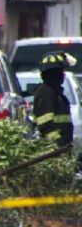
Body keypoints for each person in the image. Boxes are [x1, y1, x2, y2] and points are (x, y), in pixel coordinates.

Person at [33, 50, 82, 178]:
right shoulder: (46, 93)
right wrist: (57, 144)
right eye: (61, 72)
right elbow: (45, 125)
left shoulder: (55, 93)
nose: (63, 75)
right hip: (52, 151)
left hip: (61, 149)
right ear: (53, 74)